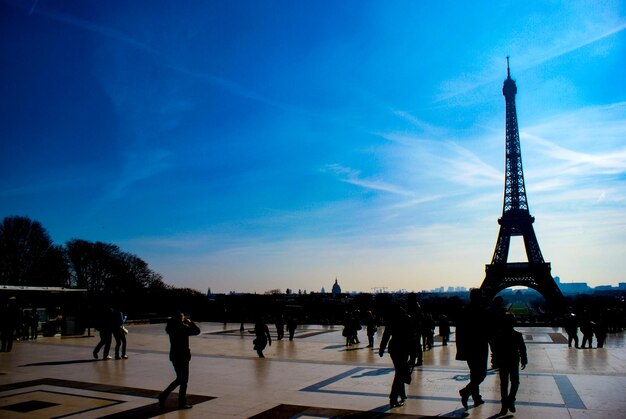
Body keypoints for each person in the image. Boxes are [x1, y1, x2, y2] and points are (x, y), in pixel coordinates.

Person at [456, 288, 490, 410]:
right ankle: (466, 391)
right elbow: (488, 331)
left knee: (474, 374)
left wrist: (460, 349)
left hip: (469, 346)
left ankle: (476, 398)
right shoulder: (483, 312)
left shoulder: (465, 311)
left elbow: (459, 332)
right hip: (480, 346)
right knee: (481, 374)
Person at [159, 311, 201, 410]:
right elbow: (197, 331)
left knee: (180, 379)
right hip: (183, 356)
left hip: (174, 355)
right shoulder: (182, 328)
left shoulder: (171, 328)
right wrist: (190, 323)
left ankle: (165, 396)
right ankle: (179, 401)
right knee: (183, 380)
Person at [379, 305, 414, 408]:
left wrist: (382, 348)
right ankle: (393, 398)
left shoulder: (391, 321)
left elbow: (386, 335)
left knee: (400, 371)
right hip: (404, 347)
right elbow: (412, 336)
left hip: (394, 348)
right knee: (400, 373)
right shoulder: (407, 319)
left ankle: (401, 394)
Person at [493, 313, 527, 416]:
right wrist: (524, 359)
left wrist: (495, 360)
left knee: (504, 384)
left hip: (503, 361)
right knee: (515, 381)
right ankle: (511, 400)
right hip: (513, 360)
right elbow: (522, 348)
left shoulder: (499, 335)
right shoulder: (517, 335)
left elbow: (495, 349)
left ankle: (504, 406)